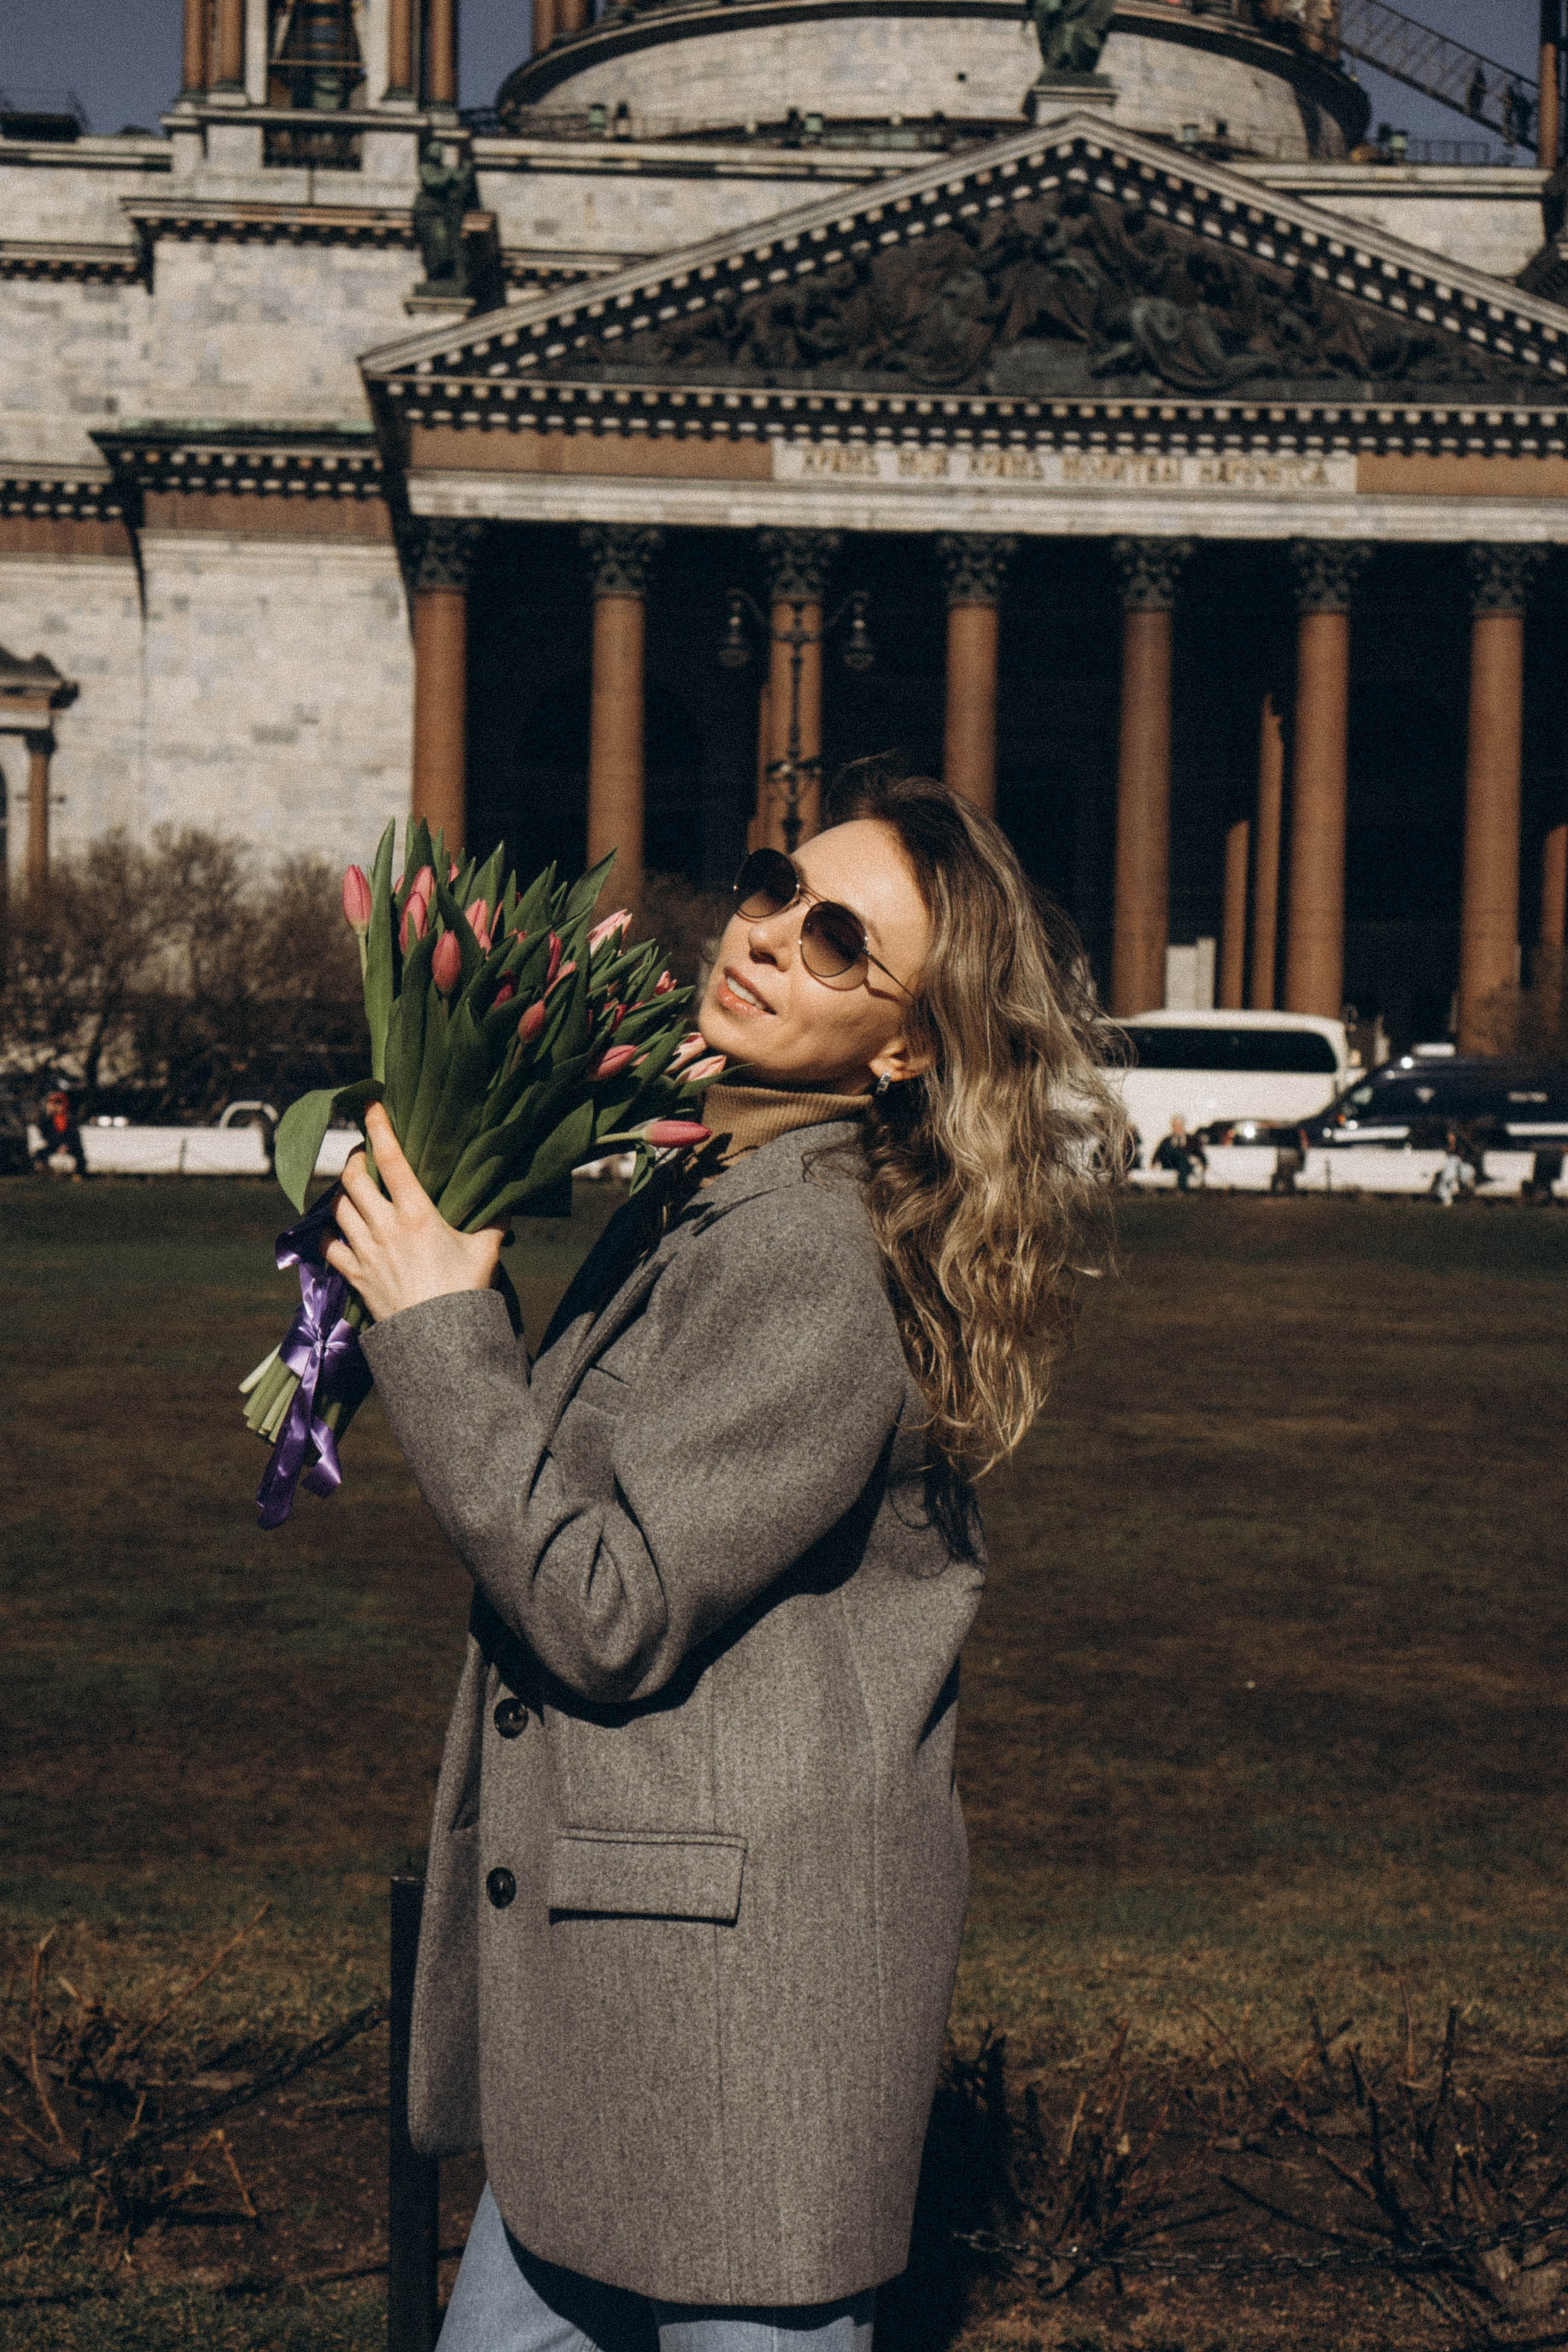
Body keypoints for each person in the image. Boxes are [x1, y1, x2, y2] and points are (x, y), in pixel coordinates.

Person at [322, 771, 1125, 2352]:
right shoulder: (714, 1185)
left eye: (840, 942)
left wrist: (435, 1331)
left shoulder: (811, 1248)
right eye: (773, 887)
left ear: (906, 1043)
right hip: (642, 1990)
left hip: (745, 2030)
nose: (767, 936)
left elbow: (605, 1608)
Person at [1151, 1111, 1205, 1193]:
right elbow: (1158, 1152)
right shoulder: (1167, 1140)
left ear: (1183, 1125)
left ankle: (1181, 1190)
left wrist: (1205, 1164)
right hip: (1171, 1163)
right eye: (1175, 1125)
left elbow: (1200, 1153)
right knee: (1172, 1151)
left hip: (1184, 1165)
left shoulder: (1192, 1139)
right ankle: (1182, 1190)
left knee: (1184, 1162)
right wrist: (1153, 1163)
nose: (1177, 1127)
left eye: (1179, 1125)